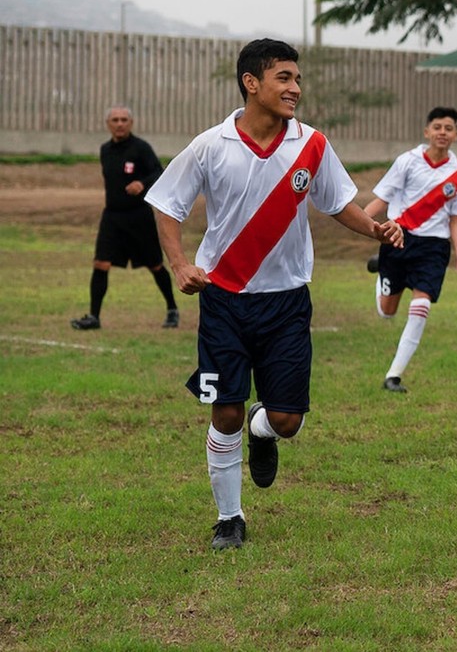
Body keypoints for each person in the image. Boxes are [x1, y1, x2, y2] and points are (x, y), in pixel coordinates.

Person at [146, 38, 404, 551]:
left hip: (287, 301)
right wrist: (180, 264)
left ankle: (264, 436)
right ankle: (229, 518)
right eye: (284, 78)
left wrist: (374, 229)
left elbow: (338, 203)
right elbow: (167, 203)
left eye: (297, 79)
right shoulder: (211, 144)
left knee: (286, 421)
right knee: (226, 411)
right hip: (224, 297)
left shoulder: (311, 143)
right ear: (251, 83)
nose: (295, 89)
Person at [364, 107, 457, 393]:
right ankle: (382, 274)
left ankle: (394, 375)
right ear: (427, 132)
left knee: (421, 305)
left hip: (434, 247)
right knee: (387, 312)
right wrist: (364, 223)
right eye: (437, 127)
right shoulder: (408, 161)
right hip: (399, 238)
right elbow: (381, 199)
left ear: (456, 135)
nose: (442, 132)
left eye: (448, 128)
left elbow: (456, 220)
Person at [70, 106, 180, 330]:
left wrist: (142, 183)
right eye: (114, 120)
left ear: (131, 123)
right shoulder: (105, 150)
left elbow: (158, 172)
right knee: (100, 263)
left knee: (155, 265)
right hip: (112, 217)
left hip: (139, 217)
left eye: (123, 120)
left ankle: (172, 309)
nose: (119, 124)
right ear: (108, 124)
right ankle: (94, 317)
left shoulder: (141, 148)